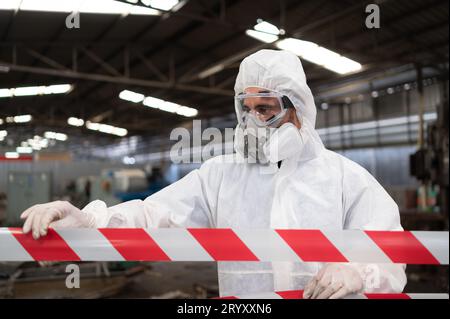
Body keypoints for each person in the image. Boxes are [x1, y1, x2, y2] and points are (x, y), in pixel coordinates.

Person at [20, 49, 406, 299]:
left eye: (266, 108)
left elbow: (392, 253)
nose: (254, 121)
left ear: (298, 109)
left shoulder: (345, 179)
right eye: (247, 109)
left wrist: (358, 270)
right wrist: (84, 221)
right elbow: (152, 217)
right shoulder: (221, 176)